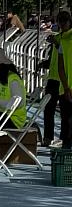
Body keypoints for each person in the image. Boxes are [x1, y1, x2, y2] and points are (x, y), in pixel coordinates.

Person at [43, 11, 71, 146]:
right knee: (48, 108)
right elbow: (55, 58)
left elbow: (65, 54)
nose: (62, 24)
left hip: (64, 80)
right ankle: (47, 137)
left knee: (66, 115)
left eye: (64, 21)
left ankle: (64, 141)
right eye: (60, 21)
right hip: (53, 78)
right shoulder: (59, 36)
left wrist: (57, 43)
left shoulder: (67, 38)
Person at [56, 18, 72, 149]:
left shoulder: (63, 41)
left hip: (65, 88)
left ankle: (66, 150)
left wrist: (66, 88)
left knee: (66, 121)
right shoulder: (63, 40)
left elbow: (60, 68)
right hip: (66, 88)